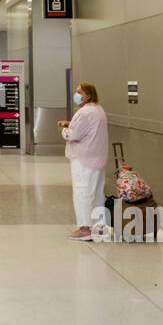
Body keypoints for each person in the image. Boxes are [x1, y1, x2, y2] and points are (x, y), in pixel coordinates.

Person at [58, 82, 109, 240]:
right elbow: (87, 129)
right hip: (98, 159)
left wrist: (65, 129)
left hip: (84, 159)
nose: (76, 94)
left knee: (82, 192)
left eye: (79, 92)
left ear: (88, 95)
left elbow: (72, 135)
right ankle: (100, 228)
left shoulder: (84, 112)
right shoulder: (98, 110)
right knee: (97, 194)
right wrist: (71, 124)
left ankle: (85, 228)